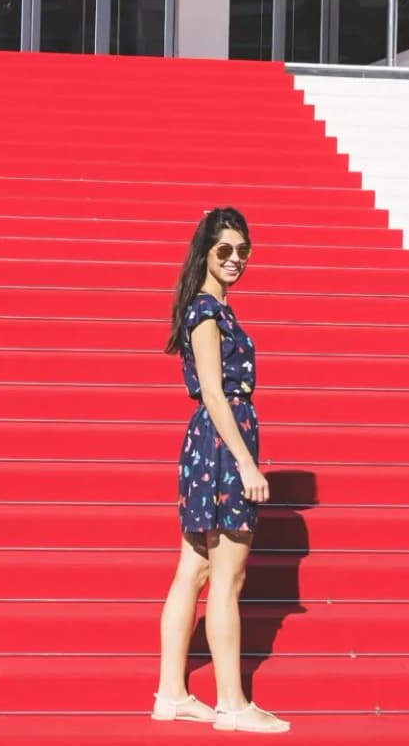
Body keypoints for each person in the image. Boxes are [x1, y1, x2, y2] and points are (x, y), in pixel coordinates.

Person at [150, 207, 290, 734]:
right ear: (204, 253)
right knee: (228, 578)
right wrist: (248, 462)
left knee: (195, 569)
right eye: (224, 250)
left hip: (210, 442)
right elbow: (213, 391)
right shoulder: (207, 312)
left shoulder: (207, 308)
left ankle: (171, 693)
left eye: (243, 251)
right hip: (221, 443)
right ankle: (233, 703)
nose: (235, 260)